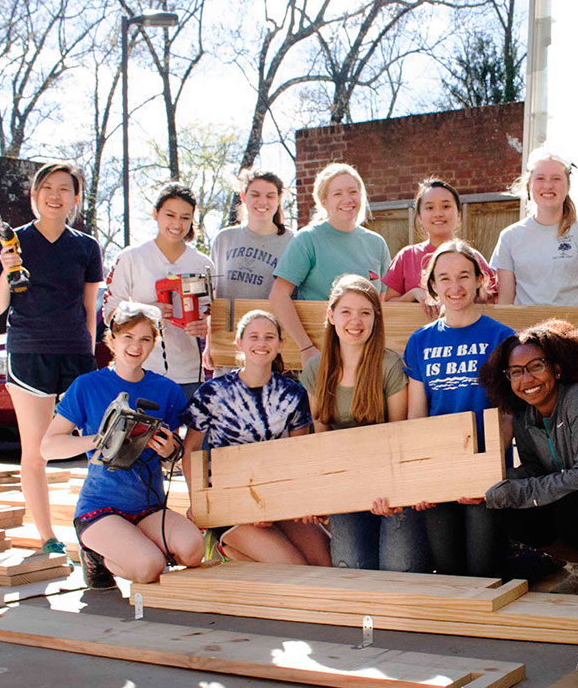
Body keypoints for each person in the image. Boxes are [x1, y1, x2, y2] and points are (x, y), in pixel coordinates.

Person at [41, 302, 201, 588]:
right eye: (128, 337)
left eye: (145, 339)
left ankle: (135, 546)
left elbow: (178, 449)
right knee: (150, 568)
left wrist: (169, 450)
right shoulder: (87, 385)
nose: (136, 346)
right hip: (101, 508)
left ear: (154, 343)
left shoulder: (166, 390)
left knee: (193, 551)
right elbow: (48, 447)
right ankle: (95, 556)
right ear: (112, 339)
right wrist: (100, 439)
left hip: (148, 507)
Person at [0, 161, 103, 559]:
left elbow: (90, 308)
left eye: (64, 189)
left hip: (75, 354)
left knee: (93, 446)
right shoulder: (12, 242)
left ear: (75, 198)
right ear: (35, 195)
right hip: (29, 352)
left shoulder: (86, 247)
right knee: (35, 450)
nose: (56, 195)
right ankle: (47, 537)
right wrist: (4, 271)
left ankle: (98, 528)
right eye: (47, 188)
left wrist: (88, 352)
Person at [478, 319, 578, 593]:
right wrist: (499, 484)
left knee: (568, 512)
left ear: (557, 368)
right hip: (571, 488)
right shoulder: (525, 412)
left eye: (536, 366)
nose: (527, 379)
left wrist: (521, 490)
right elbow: (533, 467)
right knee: (509, 512)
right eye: (516, 372)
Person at [404, 240, 516, 576]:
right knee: (448, 570)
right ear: (433, 286)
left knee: (484, 570)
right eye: (445, 278)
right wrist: (422, 475)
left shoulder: (503, 338)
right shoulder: (419, 341)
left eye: (464, 276)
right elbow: (416, 415)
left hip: (486, 471)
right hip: (439, 469)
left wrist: (489, 473)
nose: (455, 287)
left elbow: (509, 415)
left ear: (480, 279)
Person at [180, 310, 327, 566]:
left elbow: (299, 453)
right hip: (229, 502)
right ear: (240, 342)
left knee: (326, 562)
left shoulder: (293, 394)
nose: (262, 344)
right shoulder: (213, 392)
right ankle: (225, 546)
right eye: (254, 337)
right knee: (293, 566)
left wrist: (302, 502)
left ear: (280, 344)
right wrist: (198, 503)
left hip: (277, 497)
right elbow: (191, 448)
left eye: (269, 337)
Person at [300, 275, 427, 571]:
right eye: (346, 311)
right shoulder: (315, 369)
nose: (355, 321)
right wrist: (323, 497)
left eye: (365, 312)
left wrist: (389, 491)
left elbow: (398, 435)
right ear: (331, 316)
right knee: (350, 567)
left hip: (391, 483)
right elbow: (320, 437)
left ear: (376, 318)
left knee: (398, 567)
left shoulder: (389, 365)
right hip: (345, 483)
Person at [270, 163, 392, 361]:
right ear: (323, 201)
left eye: (353, 191)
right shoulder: (307, 239)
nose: (347, 199)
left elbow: (382, 301)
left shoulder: (376, 243)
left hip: (366, 356)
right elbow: (278, 296)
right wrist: (306, 347)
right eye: (337, 194)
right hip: (321, 354)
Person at [103, 182, 214, 395]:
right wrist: (146, 311)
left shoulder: (203, 264)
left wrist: (206, 326)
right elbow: (110, 313)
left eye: (185, 217)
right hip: (141, 369)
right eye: (170, 215)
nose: (177, 224)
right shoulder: (130, 258)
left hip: (190, 373)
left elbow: (213, 312)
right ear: (155, 213)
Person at [492, 148, 578, 307]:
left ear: (568, 186)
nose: (548, 185)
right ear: (529, 186)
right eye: (540, 178)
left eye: (556, 179)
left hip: (570, 330)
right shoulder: (509, 237)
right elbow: (505, 303)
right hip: (523, 330)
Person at [384, 179, 497, 318]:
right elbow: (388, 307)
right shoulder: (407, 256)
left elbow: (493, 305)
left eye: (445, 206)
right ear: (419, 216)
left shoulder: (473, 258)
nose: (438, 213)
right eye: (430, 208)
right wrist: (414, 294)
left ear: (459, 214)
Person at [210, 167, 294, 301]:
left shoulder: (293, 242)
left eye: (270, 196)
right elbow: (211, 291)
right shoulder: (224, 239)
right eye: (255, 195)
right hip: (227, 321)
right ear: (243, 197)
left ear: (279, 199)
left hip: (270, 321)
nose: (262, 202)